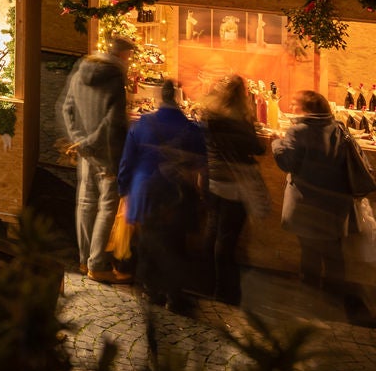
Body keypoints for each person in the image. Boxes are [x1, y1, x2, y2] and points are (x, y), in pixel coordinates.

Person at [275, 90, 376, 322]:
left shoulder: (298, 131)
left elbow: (285, 161)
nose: (292, 109)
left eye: (294, 105)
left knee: (309, 256)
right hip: (335, 207)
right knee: (334, 257)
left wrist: (278, 143)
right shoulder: (340, 129)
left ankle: (310, 304)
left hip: (306, 206)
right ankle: (333, 302)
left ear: (307, 109)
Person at [117, 78, 207, 313]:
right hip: (176, 195)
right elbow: (201, 165)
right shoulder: (191, 129)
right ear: (178, 100)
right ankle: (174, 295)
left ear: (159, 99)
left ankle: (151, 290)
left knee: (147, 241)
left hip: (146, 192)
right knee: (176, 244)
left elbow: (127, 161)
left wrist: (123, 190)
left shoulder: (143, 125)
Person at [61, 36, 136, 283]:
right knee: (106, 207)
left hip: (84, 152)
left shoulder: (82, 68)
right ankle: (98, 264)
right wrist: (91, 142)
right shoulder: (114, 78)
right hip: (107, 153)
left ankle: (84, 260)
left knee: (85, 202)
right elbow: (112, 121)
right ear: (124, 55)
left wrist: (79, 140)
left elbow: (67, 108)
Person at [199, 74, 268, 306]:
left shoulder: (209, 115)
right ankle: (225, 291)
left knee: (213, 229)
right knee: (227, 237)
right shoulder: (239, 120)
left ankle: (204, 283)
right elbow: (257, 148)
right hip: (234, 183)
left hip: (212, 177)